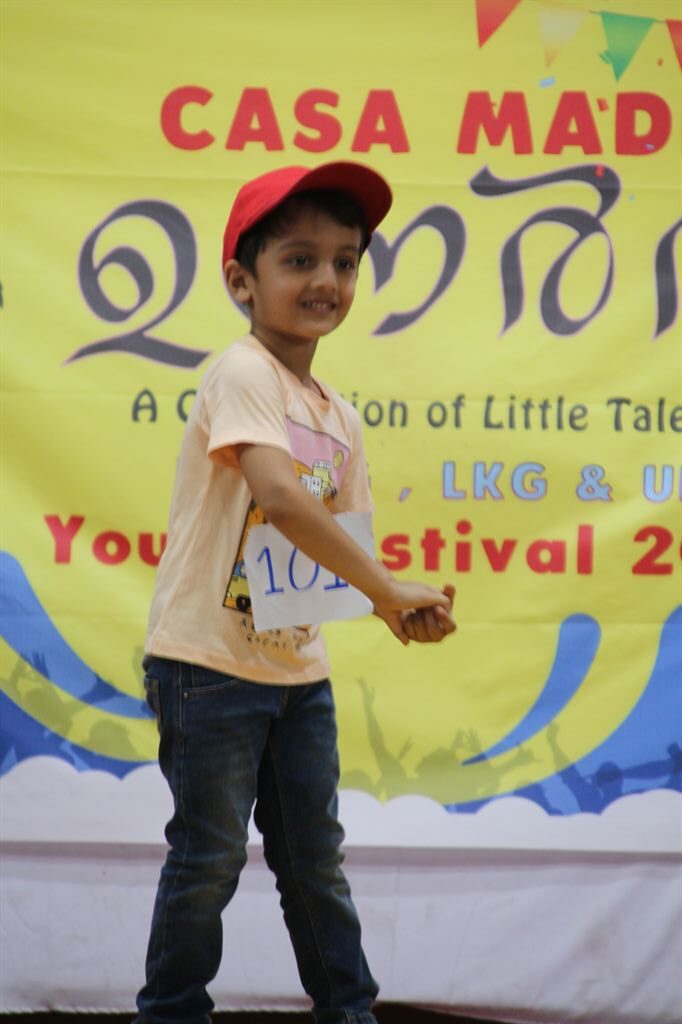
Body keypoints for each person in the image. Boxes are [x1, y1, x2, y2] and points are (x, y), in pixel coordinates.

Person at [135, 160, 457, 1023]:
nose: (327, 280)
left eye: (346, 262)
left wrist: (393, 608)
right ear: (242, 281)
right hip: (207, 667)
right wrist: (385, 587)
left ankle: (349, 1011)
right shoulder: (242, 372)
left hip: (297, 678)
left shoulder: (339, 416)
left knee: (316, 863)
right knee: (208, 860)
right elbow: (279, 497)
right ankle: (169, 1013)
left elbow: (334, 555)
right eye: (300, 259)